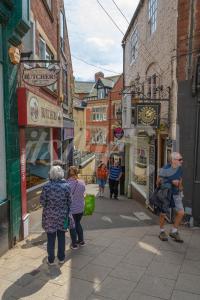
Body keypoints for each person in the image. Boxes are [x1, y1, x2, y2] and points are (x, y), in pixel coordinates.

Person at [40, 165, 71, 265]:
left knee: (50, 238)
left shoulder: (46, 186)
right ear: (61, 174)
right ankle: (61, 258)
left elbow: (42, 202)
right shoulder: (66, 186)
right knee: (61, 237)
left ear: (51, 174)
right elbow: (70, 202)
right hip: (62, 216)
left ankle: (51, 259)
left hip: (49, 216)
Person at [157, 152, 184, 242]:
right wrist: (171, 182)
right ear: (173, 160)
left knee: (181, 212)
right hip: (166, 194)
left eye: (181, 159)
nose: (182, 161)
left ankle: (174, 231)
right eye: (180, 159)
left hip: (176, 193)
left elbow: (180, 179)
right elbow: (158, 182)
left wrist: (180, 185)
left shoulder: (179, 168)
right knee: (163, 213)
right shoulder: (165, 169)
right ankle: (162, 231)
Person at [66, 166, 86, 249]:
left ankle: (74, 244)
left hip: (72, 209)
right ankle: (81, 241)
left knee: (72, 226)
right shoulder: (82, 182)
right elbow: (83, 193)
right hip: (80, 207)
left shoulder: (67, 184)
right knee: (78, 223)